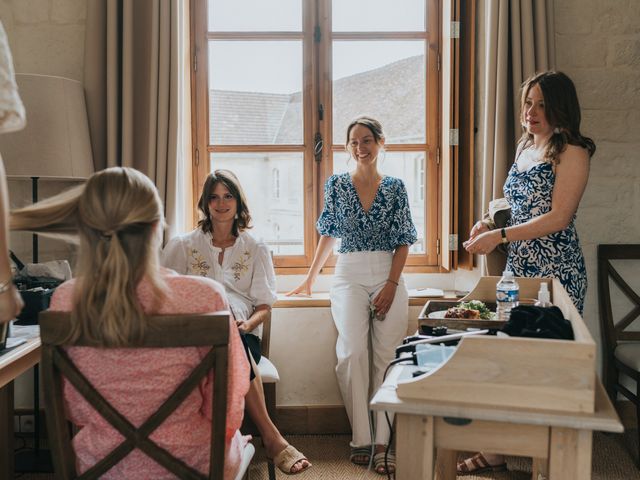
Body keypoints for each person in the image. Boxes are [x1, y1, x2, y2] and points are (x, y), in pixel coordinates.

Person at [10, 167, 250, 480]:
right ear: (155, 227)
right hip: (192, 465)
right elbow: (228, 410)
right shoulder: (205, 296)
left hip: (101, 466)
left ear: (87, 229)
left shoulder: (67, 299)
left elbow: (76, 409)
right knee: (241, 445)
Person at [460, 71, 595, 475]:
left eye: (540, 105)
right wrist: (488, 223)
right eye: (527, 103)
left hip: (557, 274)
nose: (530, 112)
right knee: (508, 359)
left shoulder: (573, 151)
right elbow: (516, 204)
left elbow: (558, 217)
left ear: (559, 108)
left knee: (547, 367)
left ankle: (552, 460)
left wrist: (499, 234)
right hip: (519, 271)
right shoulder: (525, 147)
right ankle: (496, 451)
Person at [287, 116, 417, 475]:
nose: (361, 148)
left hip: (388, 272)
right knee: (353, 353)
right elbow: (328, 235)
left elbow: (404, 238)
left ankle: (382, 442)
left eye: (367, 140)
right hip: (348, 275)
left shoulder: (395, 187)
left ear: (380, 142)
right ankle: (361, 436)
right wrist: (310, 279)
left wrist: (391, 284)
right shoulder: (336, 185)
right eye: (354, 142)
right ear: (348, 148)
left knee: (388, 356)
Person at [161, 169, 311, 475]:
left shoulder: (255, 247)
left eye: (228, 196)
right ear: (205, 203)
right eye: (214, 197)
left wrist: (246, 324)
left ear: (238, 201)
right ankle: (272, 439)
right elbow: (164, 295)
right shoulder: (182, 245)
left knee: (234, 338)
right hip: (195, 339)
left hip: (244, 336)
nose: (221, 203)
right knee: (221, 335)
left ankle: (267, 437)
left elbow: (264, 306)